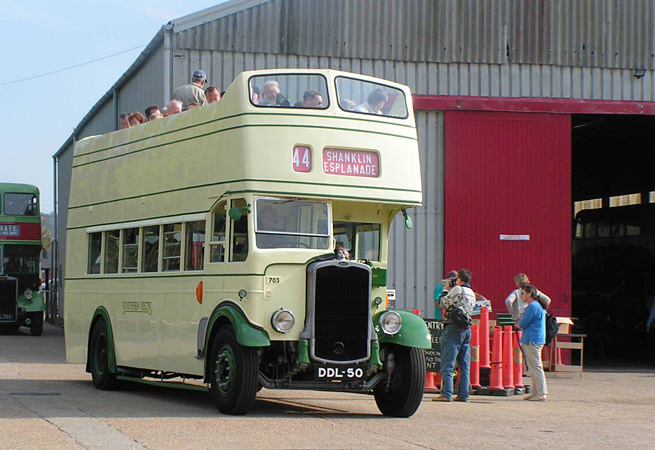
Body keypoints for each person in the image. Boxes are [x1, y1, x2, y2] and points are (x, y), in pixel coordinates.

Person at [433, 268, 476, 402]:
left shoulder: (458, 290)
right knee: (464, 363)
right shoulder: (471, 293)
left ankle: (446, 393)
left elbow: (442, 303)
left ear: (459, 280)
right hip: (466, 328)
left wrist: (446, 289)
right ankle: (463, 394)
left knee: (448, 361)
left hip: (453, 327)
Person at [517, 284, 549, 401]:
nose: (522, 296)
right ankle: (536, 392)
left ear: (529, 294)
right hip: (535, 338)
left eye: (523, 293)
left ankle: (541, 393)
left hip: (532, 339)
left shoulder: (532, 307)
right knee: (533, 366)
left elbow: (523, 323)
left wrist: (519, 322)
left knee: (535, 366)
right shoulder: (537, 306)